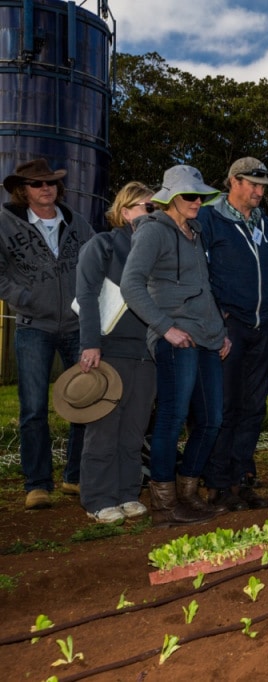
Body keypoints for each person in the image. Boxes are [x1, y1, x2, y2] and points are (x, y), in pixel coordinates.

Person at [121, 165, 230, 526]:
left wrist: (220, 332)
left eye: (200, 195)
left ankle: (188, 494)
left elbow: (206, 289)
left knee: (212, 419)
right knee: (172, 416)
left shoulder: (197, 233)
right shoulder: (152, 231)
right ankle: (165, 505)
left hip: (207, 337)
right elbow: (131, 286)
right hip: (176, 336)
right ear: (169, 197)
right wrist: (166, 329)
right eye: (188, 195)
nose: (197, 201)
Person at [0, 159, 94, 510]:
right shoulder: (5, 224)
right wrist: (24, 298)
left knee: (86, 403)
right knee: (33, 409)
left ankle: (76, 476)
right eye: (37, 184)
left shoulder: (77, 223)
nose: (46, 189)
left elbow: (96, 263)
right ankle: (38, 484)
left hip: (76, 326)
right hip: (33, 327)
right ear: (22, 190)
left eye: (51, 183)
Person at [198, 157, 268, 512]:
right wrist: (220, 316)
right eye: (252, 184)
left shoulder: (265, 224)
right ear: (233, 181)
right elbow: (199, 272)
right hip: (229, 326)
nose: (259, 192)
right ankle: (216, 485)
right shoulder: (208, 218)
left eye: (263, 187)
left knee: (253, 408)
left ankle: (239, 479)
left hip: (264, 326)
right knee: (225, 407)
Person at [75, 182, 157, 522]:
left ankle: (126, 493)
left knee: (134, 430)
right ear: (125, 211)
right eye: (148, 208)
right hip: (110, 352)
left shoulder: (157, 250)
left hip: (147, 354)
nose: (155, 214)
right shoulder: (103, 245)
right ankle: (97, 499)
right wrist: (90, 343)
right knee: (104, 428)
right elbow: (87, 294)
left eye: (158, 209)